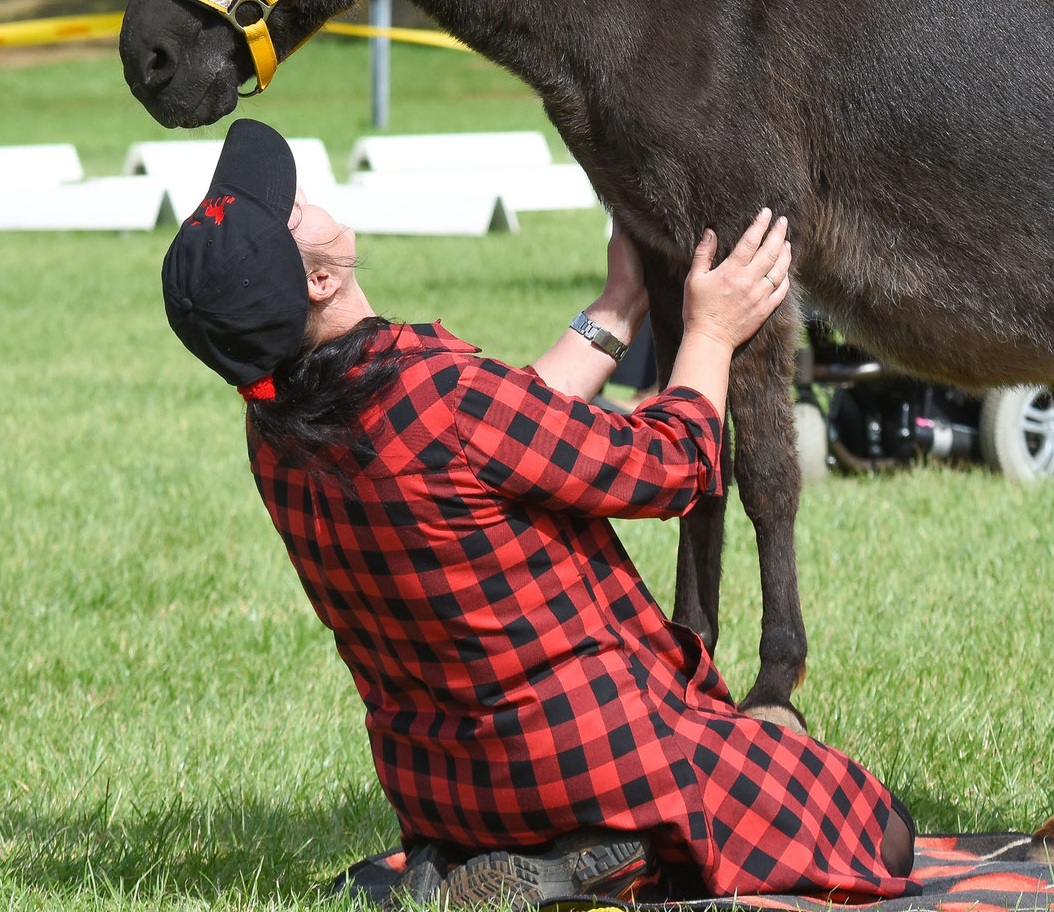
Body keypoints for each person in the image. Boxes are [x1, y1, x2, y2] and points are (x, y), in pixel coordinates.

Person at [161, 120, 917, 908]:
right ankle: (619, 858)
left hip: (442, 789)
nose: (305, 197)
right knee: (882, 832)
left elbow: (496, 445)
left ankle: (514, 855)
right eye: (293, 211)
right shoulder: (443, 399)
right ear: (317, 282)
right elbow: (679, 462)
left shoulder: (279, 433)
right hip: (591, 752)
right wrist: (711, 331)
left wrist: (617, 307)